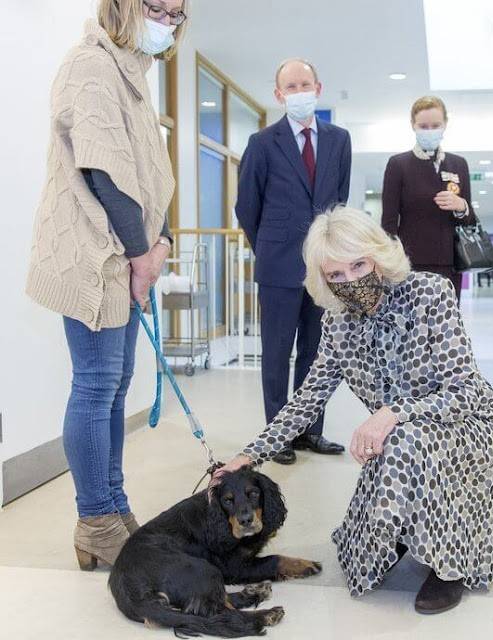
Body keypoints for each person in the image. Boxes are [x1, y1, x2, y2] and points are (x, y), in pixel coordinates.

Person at [217, 206, 493, 614]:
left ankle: (449, 566)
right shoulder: (338, 324)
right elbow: (306, 400)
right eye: (336, 275)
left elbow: (466, 390)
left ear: (378, 255)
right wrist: (247, 457)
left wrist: (392, 413)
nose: (351, 281)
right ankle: (405, 534)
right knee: (399, 447)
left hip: (467, 422)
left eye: (358, 265)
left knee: (405, 435)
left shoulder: (430, 293)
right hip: (402, 433)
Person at [25, 0, 188, 569]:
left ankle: (114, 507)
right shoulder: (90, 64)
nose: (167, 21)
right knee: (96, 384)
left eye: (176, 13)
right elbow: (103, 171)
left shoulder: (135, 77)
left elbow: (153, 177)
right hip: (94, 256)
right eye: (157, 8)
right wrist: (143, 255)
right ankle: (95, 520)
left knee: (115, 384)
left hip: (128, 254)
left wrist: (160, 242)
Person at [235, 58, 352, 465]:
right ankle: (277, 434)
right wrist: (268, 248)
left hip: (324, 267)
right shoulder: (262, 143)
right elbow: (247, 207)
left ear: (318, 89)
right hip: (277, 267)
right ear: (279, 94)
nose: (299, 91)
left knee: (317, 353)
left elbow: (340, 201)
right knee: (277, 351)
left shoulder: (339, 140)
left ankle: (309, 431)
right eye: (291, 86)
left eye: (306, 84)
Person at [382, 96, 476, 302]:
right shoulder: (399, 165)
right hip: (410, 264)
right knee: (412, 325)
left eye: (435, 125)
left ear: (445, 125)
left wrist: (462, 206)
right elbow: (388, 222)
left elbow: (470, 221)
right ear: (412, 126)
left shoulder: (459, 164)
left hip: (450, 263)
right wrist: (391, 263)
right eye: (423, 126)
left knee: (447, 326)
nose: (430, 130)